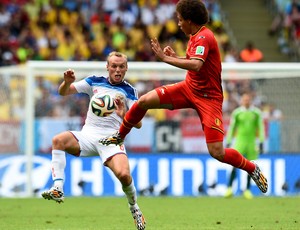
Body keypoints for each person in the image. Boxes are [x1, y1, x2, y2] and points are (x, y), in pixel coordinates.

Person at [99, 0, 268, 194]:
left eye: (180, 19)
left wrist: (166, 59)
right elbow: (197, 65)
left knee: (217, 152)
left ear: (189, 20)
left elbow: (196, 65)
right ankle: (119, 136)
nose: (178, 23)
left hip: (209, 99)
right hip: (188, 88)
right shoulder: (194, 36)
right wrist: (178, 57)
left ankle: (252, 169)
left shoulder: (205, 36)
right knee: (144, 101)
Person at [41, 51, 146, 230]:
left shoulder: (129, 91)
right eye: (114, 66)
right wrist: (67, 82)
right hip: (88, 135)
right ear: (107, 67)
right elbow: (63, 92)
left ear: (126, 68)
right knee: (58, 140)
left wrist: (123, 114)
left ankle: (134, 208)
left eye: (121, 66)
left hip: (111, 140)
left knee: (124, 175)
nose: (117, 69)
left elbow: (139, 124)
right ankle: (58, 188)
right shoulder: (94, 81)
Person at [224, 93, 265, 199]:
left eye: (248, 99)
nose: (246, 101)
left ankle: (247, 190)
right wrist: (228, 141)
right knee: (234, 165)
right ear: (241, 101)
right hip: (239, 143)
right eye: (244, 100)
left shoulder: (256, 113)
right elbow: (232, 127)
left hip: (251, 143)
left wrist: (261, 141)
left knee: (250, 167)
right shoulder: (237, 113)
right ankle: (229, 188)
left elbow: (260, 127)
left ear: (250, 100)